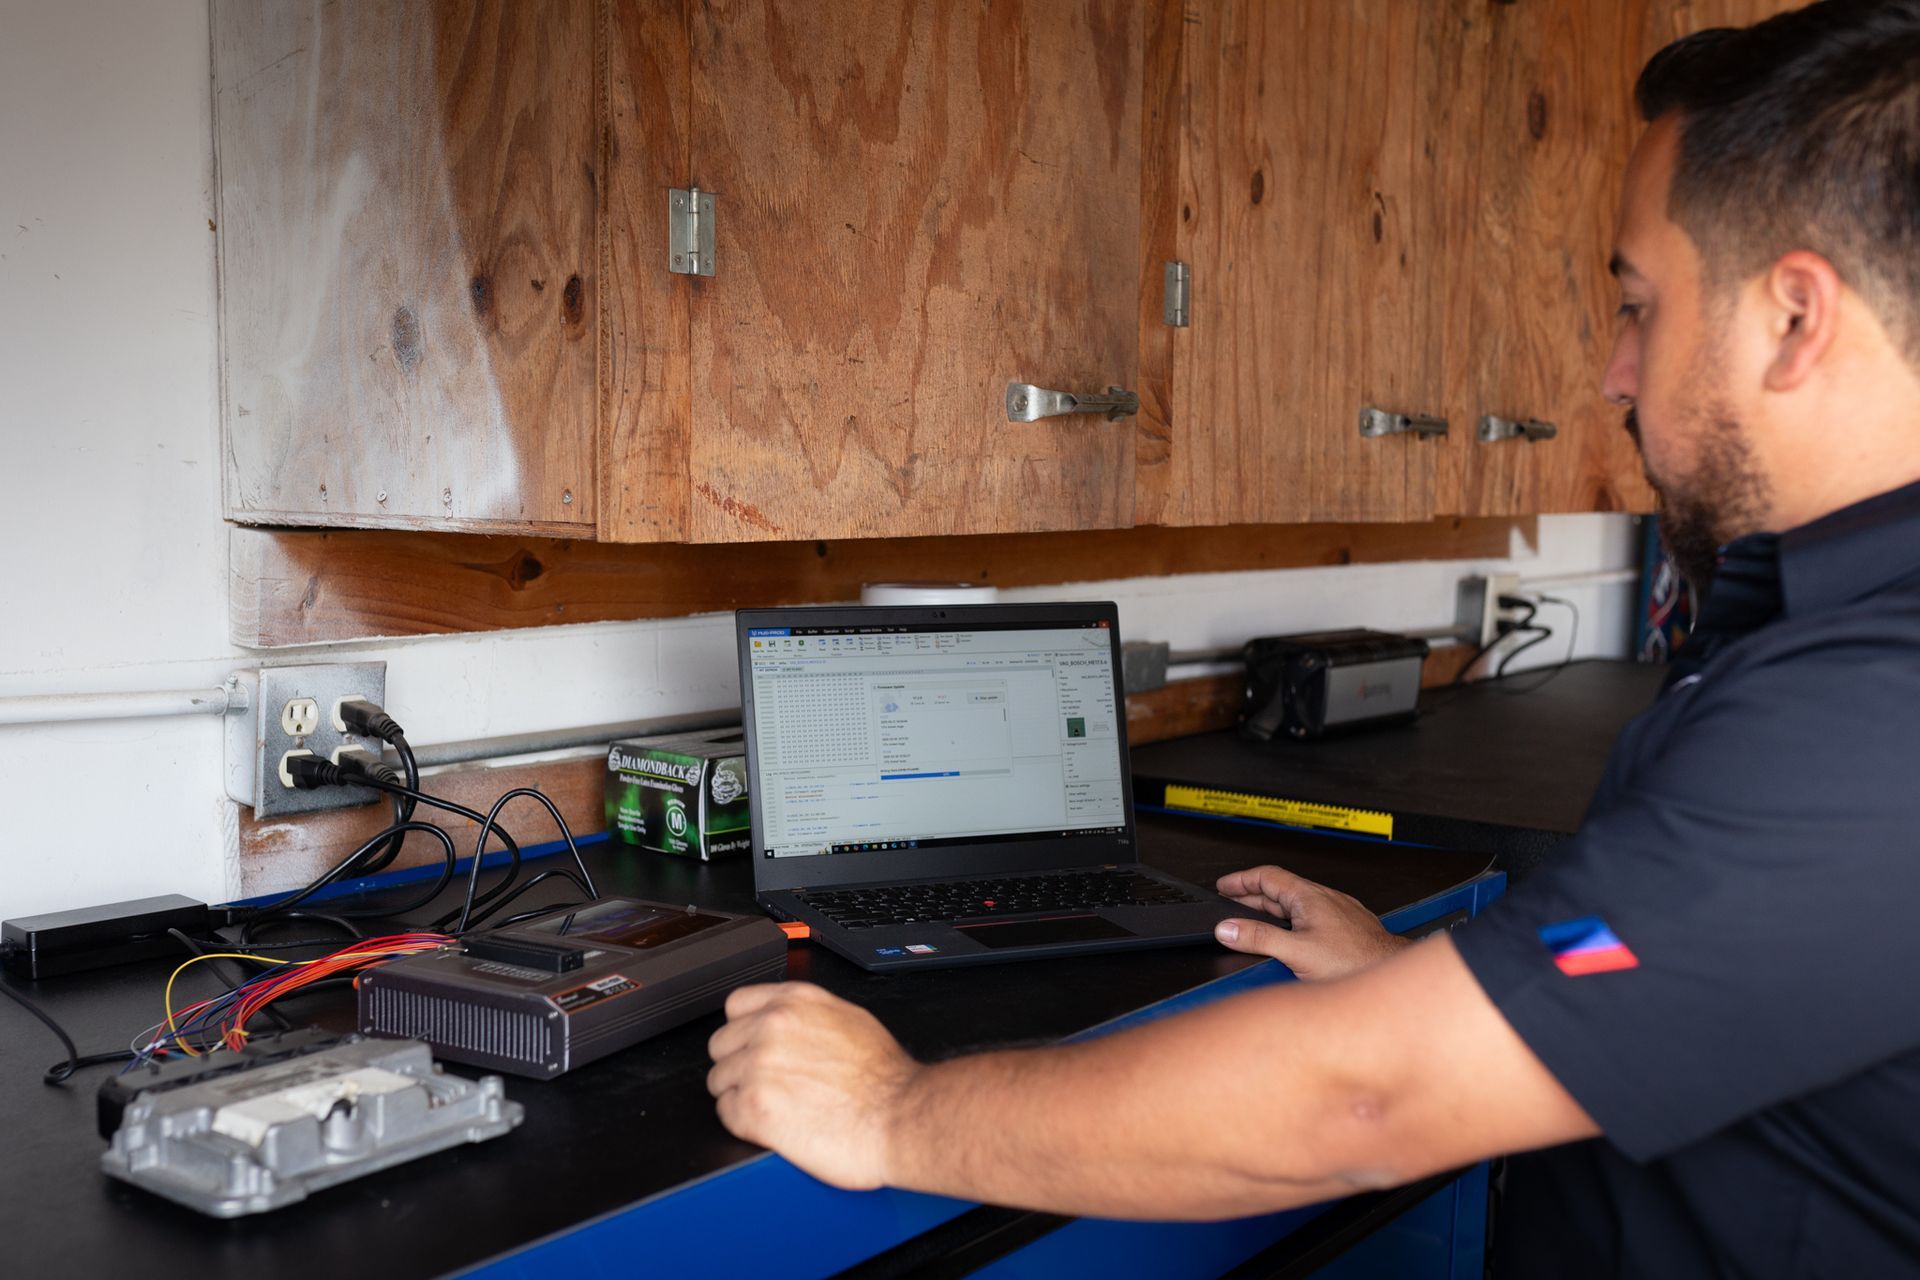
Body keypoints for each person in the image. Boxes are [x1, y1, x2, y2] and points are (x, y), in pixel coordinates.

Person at [706, 2, 1920, 1272]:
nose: (1614, 375)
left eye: (1638, 304)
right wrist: (1425, 982)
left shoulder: (1877, 709)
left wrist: (887, 1108)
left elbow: (1365, 1098)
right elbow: (1706, 981)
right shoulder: (1835, 633)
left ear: (1795, 317)